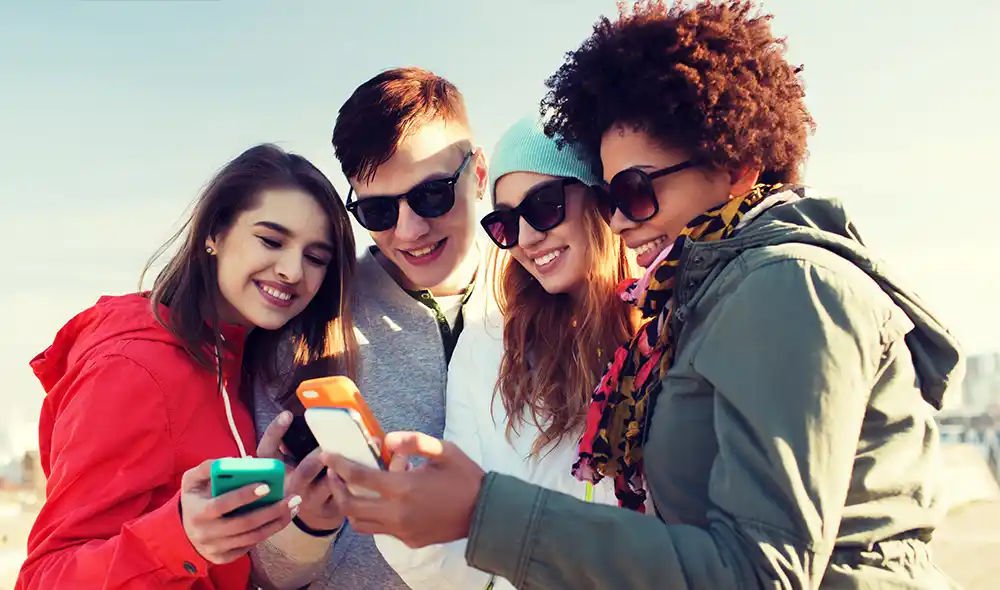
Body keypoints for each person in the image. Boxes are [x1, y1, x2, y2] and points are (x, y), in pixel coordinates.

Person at [319, 2, 965, 588]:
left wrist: (485, 510)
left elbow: (759, 570)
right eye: (612, 196)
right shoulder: (694, 304)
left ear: (736, 164)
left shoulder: (783, 285)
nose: (622, 219)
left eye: (632, 190)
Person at [16, 143, 359, 590]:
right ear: (213, 233)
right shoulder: (133, 368)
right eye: (271, 240)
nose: (293, 271)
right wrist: (181, 537)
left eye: (316, 258)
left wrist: (298, 516)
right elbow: (45, 578)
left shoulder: (244, 359)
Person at [372, 115, 640, 589]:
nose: (529, 238)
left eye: (545, 206)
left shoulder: (668, 331)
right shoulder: (489, 343)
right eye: (506, 223)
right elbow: (463, 560)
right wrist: (397, 520)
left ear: (596, 196)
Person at [250, 67, 492, 590]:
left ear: (478, 174)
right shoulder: (306, 327)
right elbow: (270, 576)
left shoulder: (549, 297)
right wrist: (307, 524)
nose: (409, 231)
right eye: (379, 210)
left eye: (432, 196)